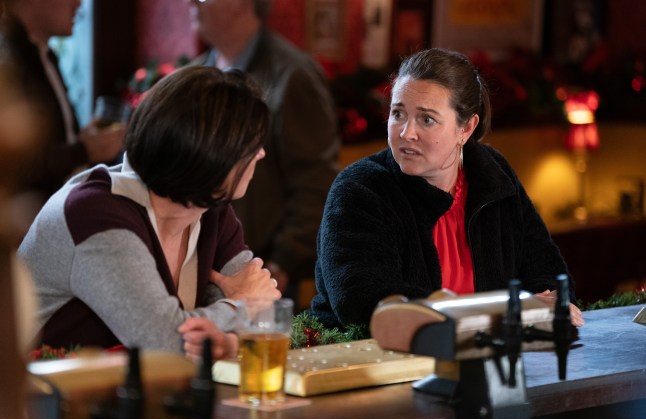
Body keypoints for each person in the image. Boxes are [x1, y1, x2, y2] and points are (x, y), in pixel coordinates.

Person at [309, 48, 585, 329]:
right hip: (375, 364)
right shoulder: (360, 187)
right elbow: (361, 301)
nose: (407, 133)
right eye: (398, 113)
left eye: (426, 119)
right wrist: (512, 311)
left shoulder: (493, 172)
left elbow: (546, 268)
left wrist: (552, 304)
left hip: (486, 356)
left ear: (466, 128)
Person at [18, 66, 281, 358]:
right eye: (250, 145)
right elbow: (165, 340)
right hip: (35, 395)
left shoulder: (211, 209)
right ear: (207, 154)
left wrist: (232, 331)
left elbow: (267, 313)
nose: (261, 153)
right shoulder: (95, 213)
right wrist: (241, 306)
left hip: (131, 392)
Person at [187, 0, 340, 303]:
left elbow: (316, 183)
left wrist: (280, 265)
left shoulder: (293, 75)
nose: (192, 3)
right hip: (198, 265)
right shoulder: (195, 76)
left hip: (262, 269)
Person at [0, 0, 124, 205]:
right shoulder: (7, 64)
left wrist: (82, 141)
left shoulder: (46, 56)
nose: (79, 5)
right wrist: (83, 150)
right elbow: (15, 166)